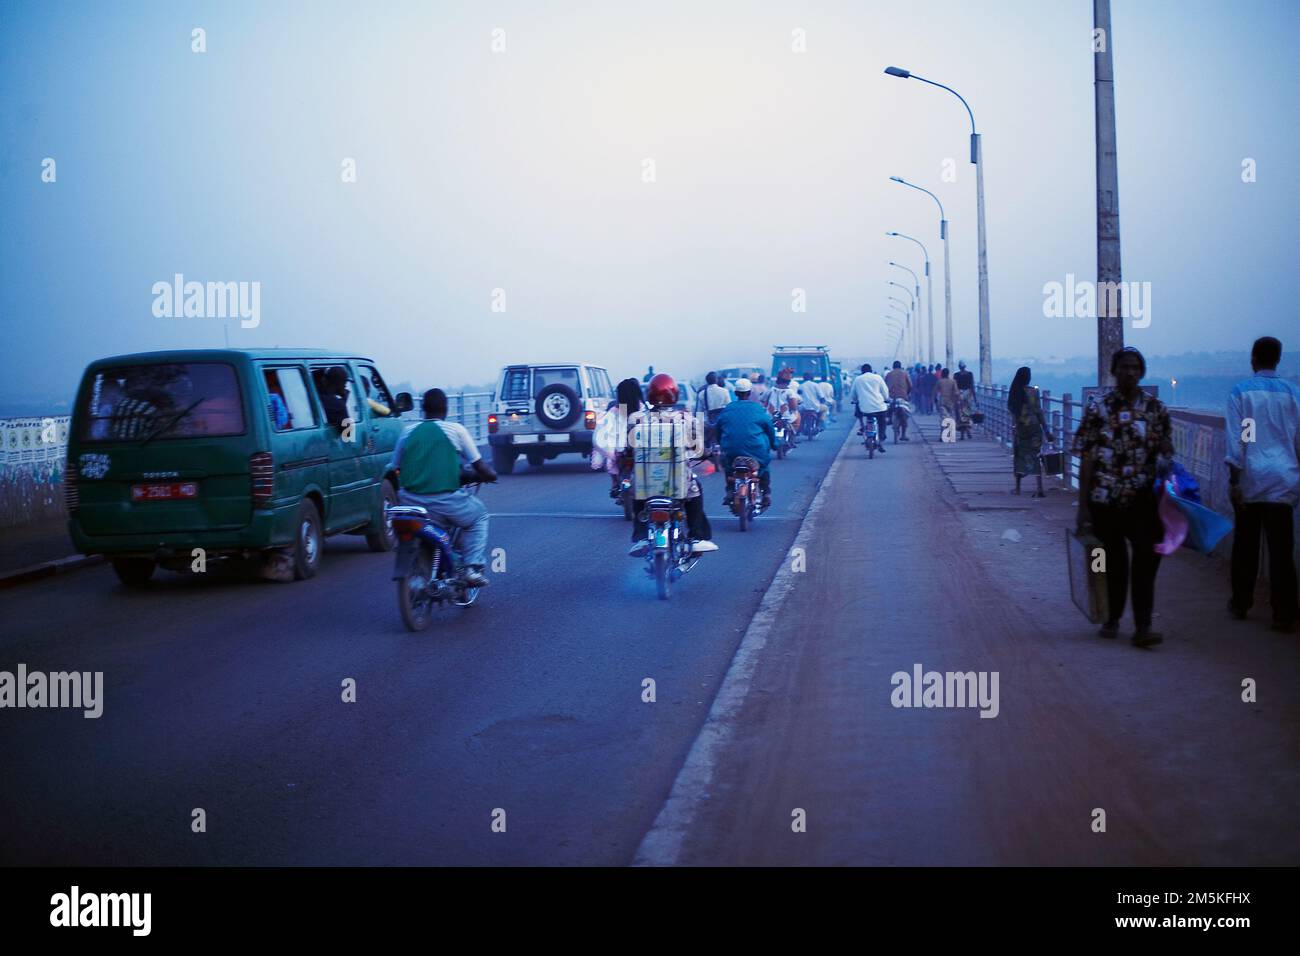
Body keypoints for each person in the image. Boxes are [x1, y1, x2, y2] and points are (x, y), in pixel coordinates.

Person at [1073, 347, 1174, 647]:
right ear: (1114, 371)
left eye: (1135, 368)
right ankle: (1112, 618)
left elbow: (1166, 450)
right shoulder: (1098, 409)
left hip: (1144, 498)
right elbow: (1087, 457)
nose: (1130, 372)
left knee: (1146, 561)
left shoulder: (1156, 409)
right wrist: (1083, 507)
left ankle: (1143, 626)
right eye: (1124, 367)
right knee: (1113, 562)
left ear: (1141, 372)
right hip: (1105, 499)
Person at [1225, 336, 1300, 632]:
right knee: (1282, 551)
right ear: (1277, 360)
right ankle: (1283, 612)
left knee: (1246, 547)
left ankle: (1241, 603)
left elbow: (1239, 440)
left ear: (1253, 358)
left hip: (1252, 478)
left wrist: (1234, 480)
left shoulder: (1241, 393)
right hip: (1284, 479)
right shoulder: (1293, 394)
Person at [390, 388, 498, 588]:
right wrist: (491, 475)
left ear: (423, 408)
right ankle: (471, 568)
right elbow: (480, 466)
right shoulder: (455, 430)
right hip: (445, 502)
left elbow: (394, 468)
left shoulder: (407, 432)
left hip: (409, 503)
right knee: (480, 516)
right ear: (446, 408)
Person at [627, 373, 717, 556]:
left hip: (645, 482)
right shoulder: (686, 419)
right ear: (674, 393)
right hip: (677, 481)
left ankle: (641, 535)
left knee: (636, 492)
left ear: (650, 394)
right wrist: (705, 453)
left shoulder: (636, 419)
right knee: (695, 491)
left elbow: (629, 447)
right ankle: (697, 536)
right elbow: (698, 449)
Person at [716, 378, 777, 510]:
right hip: (757, 452)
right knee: (764, 467)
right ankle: (766, 492)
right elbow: (769, 428)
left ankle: (729, 490)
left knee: (728, 467)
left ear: (736, 393)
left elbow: (718, 428)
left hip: (731, 452)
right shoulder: (758, 409)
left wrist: (720, 444)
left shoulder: (728, 409)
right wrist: (774, 444)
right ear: (749, 393)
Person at [1008, 366, 1053, 497]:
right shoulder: (1033, 392)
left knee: (1019, 457)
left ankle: (1017, 489)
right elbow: (1039, 412)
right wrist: (1046, 431)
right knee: (1036, 456)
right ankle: (1040, 489)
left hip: (1021, 429)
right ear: (1028, 378)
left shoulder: (1014, 392)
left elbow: (1012, 412)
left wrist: (1015, 428)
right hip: (1034, 429)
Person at [850, 363, 889, 452]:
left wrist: (855, 400)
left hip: (865, 408)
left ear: (862, 371)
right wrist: (886, 399)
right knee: (882, 423)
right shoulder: (878, 378)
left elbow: (853, 394)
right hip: (879, 407)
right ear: (871, 370)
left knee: (863, 412)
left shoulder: (858, 379)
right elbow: (885, 392)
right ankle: (881, 442)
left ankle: (863, 427)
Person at [885, 360, 912, 441]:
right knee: (906, 415)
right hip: (903, 397)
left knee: (888, 410)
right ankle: (903, 435)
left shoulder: (889, 374)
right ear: (900, 366)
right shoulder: (905, 374)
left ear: (893, 367)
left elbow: (884, 386)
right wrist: (907, 393)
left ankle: (890, 419)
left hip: (891, 398)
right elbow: (910, 385)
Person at [954, 360, 977, 439]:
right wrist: (975, 399)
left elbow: (955, 388)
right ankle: (968, 431)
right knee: (967, 413)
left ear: (959, 367)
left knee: (960, 414)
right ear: (965, 366)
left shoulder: (956, 375)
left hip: (959, 396)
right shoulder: (970, 374)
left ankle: (963, 434)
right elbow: (972, 387)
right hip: (968, 395)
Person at [934, 367, 959, 434]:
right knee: (950, 417)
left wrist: (935, 401)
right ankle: (949, 434)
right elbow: (956, 392)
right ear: (948, 374)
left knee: (943, 418)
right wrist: (956, 401)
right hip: (951, 401)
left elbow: (935, 392)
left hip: (942, 401)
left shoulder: (940, 381)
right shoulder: (953, 381)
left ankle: (943, 434)